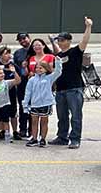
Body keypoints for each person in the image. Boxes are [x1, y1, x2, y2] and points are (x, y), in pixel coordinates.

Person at [48, 17, 92, 149]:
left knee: (76, 116)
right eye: (58, 41)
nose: (60, 43)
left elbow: (85, 40)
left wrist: (88, 27)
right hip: (60, 89)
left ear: (68, 41)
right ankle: (62, 137)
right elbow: (57, 63)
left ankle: (75, 139)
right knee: (62, 116)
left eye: (62, 40)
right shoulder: (59, 56)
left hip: (74, 88)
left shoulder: (76, 51)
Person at [23, 57, 63, 147]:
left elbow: (58, 72)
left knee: (44, 122)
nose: (38, 69)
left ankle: (43, 139)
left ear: (45, 69)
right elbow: (28, 92)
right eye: (37, 68)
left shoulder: (49, 78)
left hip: (46, 104)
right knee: (34, 122)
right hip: (34, 104)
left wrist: (57, 62)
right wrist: (25, 104)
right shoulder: (32, 80)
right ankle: (34, 138)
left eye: (41, 68)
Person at [0, 58, 21, 143]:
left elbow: (18, 81)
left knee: (6, 121)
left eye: (2, 73)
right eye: (0, 73)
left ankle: (7, 135)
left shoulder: (6, 82)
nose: (2, 75)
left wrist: (14, 72)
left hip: (6, 104)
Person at [12, 32, 32, 137]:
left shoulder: (36, 49)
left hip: (34, 82)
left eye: (24, 38)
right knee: (22, 105)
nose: (22, 41)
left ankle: (32, 130)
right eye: (20, 40)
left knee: (33, 106)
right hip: (22, 82)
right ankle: (22, 129)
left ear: (29, 38)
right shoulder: (17, 53)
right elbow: (15, 67)